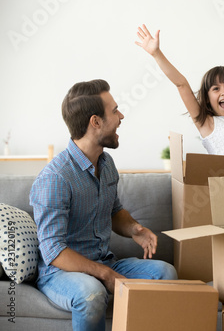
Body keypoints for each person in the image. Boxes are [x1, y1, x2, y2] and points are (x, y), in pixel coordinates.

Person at [30, 79, 178, 331]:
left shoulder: (106, 163)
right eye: (115, 111)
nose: (121, 116)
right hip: (61, 273)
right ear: (95, 121)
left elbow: (114, 211)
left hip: (104, 261)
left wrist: (135, 230)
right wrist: (105, 275)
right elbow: (53, 251)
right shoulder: (56, 178)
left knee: (165, 273)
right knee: (93, 293)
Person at [135, 19, 224, 157]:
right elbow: (181, 84)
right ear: (207, 98)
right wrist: (156, 53)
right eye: (216, 89)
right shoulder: (206, 124)